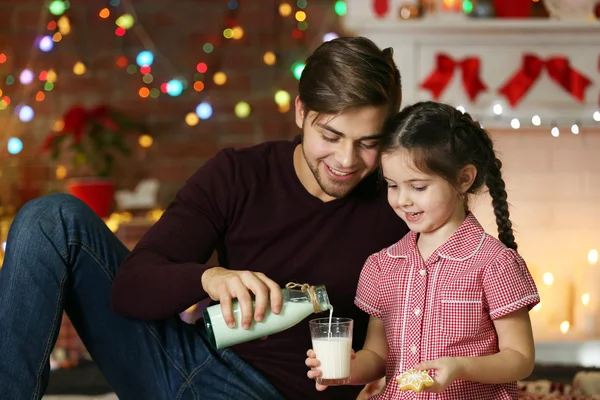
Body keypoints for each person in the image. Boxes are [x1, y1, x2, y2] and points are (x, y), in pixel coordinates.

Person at [0, 36, 408, 400]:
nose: (346, 160)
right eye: (331, 136)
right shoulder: (239, 174)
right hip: (185, 362)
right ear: (301, 112)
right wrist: (207, 278)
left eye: (368, 143)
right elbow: (130, 288)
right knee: (50, 216)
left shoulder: (399, 201)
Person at [306, 101, 540, 399]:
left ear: (463, 179)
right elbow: (377, 357)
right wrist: (346, 370)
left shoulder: (494, 262)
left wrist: (460, 367)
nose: (403, 200)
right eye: (392, 185)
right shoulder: (382, 265)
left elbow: (520, 358)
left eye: (418, 187)